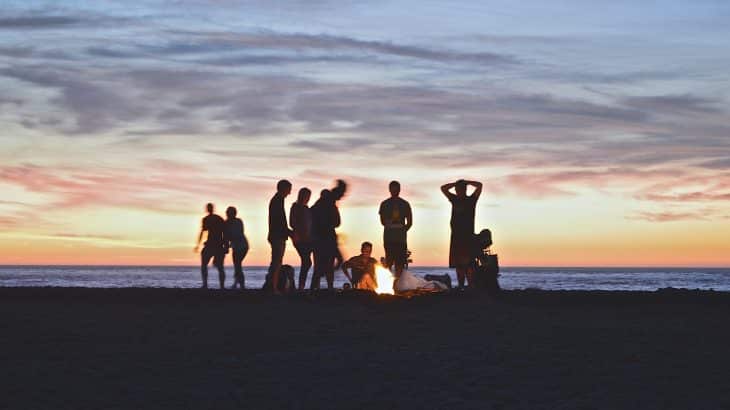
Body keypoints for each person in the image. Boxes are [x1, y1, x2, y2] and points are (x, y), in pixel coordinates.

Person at [441, 179, 483, 289]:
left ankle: (470, 286)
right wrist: (456, 183)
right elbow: (443, 188)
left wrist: (467, 182)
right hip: (456, 236)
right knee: (458, 264)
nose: (457, 191)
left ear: (464, 189)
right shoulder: (454, 199)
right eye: (457, 189)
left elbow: (479, 185)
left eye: (459, 189)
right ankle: (460, 286)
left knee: (469, 264)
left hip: (468, 236)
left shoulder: (471, 200)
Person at [378, 181, 412, 278]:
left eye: (396, 189)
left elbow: (410, 223)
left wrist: (402, 230)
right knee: (389, 261)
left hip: (400, 239)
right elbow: (382, 222)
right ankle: (389, 283)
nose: (394, 191)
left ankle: (397, 283)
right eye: (393, 189)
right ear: (389, 190)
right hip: (389, 238)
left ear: (399, 190)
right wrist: (392, 225)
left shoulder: (405, 204)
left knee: (400, 262)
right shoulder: (384, 204)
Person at [267, 179, 293, 295]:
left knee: (276, 261)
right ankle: (273, 288)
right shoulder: (277, 200)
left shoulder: (278, 200)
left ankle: (272, 285)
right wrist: (289, 233)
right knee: (277, 262)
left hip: (277, 235)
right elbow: (280, 221)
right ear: (283, 189)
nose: (289, 193)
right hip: (277, 235)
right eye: (288, 190)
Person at [310, 189, 340, 290]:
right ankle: (328, 288)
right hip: (326, 239)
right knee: (327, 266)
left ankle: (314, 289)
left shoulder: (315, 208)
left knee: (319, 267)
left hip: (319, 240)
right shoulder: (330, 207)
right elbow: (337, 222)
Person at [194, 203, 226, 289]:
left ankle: (215, 285)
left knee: (218, 266)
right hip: (213, 244)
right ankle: (208, 285)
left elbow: (224, 232)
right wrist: (198, 244)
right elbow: (203, 231)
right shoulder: (211, 219)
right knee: (208, 265)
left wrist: (225, 245)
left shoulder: (216, 219)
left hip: (216, 244)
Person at [290, 187, 313, 290]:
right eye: (306, 196)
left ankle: (301, 286)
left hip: (308, 239)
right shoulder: (296, 207)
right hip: (299, 239)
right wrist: (297, 233)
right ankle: (301, 286)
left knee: (307, 262)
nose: (307, 198)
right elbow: (292, 222)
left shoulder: (307, 209)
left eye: (309, 196)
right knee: (307, 262)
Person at [225, 206, 249, 290]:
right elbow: (226, 236)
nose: (227, 214)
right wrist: (227, 246)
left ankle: (241, 285)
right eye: (227, 212)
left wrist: (228, 244)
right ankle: (236, 283)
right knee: (237, 265)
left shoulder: (238, 221)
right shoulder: (227, 222)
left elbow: (239, 233)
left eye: (229, 212)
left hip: (243, 246)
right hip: (236, 247)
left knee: (237, 265)